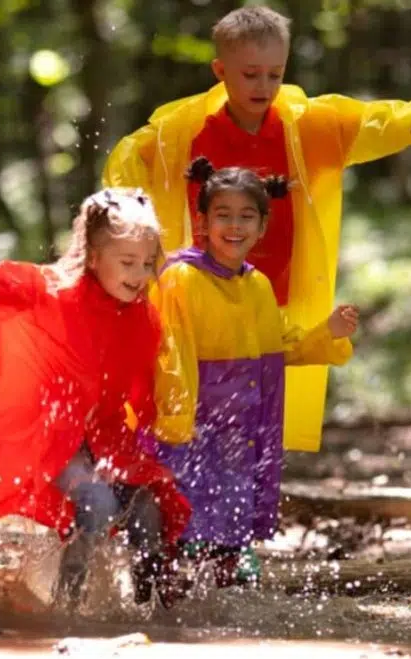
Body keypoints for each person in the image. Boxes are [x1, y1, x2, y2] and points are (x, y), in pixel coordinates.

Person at [103, 4, 411, 455]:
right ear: (220, 70)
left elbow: (365, 121)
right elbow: (129, 162)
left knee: (254, 408)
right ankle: (173, 490)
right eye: (250, 75)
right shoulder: (184, 131)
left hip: (273, 295)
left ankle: (237, 498)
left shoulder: (305, 125)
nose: (264, 87)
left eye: (274, 74)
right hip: (201, 298)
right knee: (188, 396)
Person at [0, 187, 191, 608]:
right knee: (95, 502)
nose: (139, 273)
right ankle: (67, 609)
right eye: (127, 262)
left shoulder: (143, 317)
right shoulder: (51, 292)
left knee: (149, 510)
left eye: (147, 264)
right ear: (94, 258)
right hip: (51, 437)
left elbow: (142, 390)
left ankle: (150, 614)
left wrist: (165, 428)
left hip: (109, 439)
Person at [151, 158, 359, 587]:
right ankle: (161, 609)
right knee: (176, 531)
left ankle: (223, 607)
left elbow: (278, 351)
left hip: (243, 435)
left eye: (247, 216)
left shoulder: (258, 285)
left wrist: (328, 334)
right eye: (223, 215)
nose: (235, 226)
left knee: (228, 536)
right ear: (202, 221)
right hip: (190, 431)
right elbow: (169, 355)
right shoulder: (181, 278)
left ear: (263, 226)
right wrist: (175, 429)